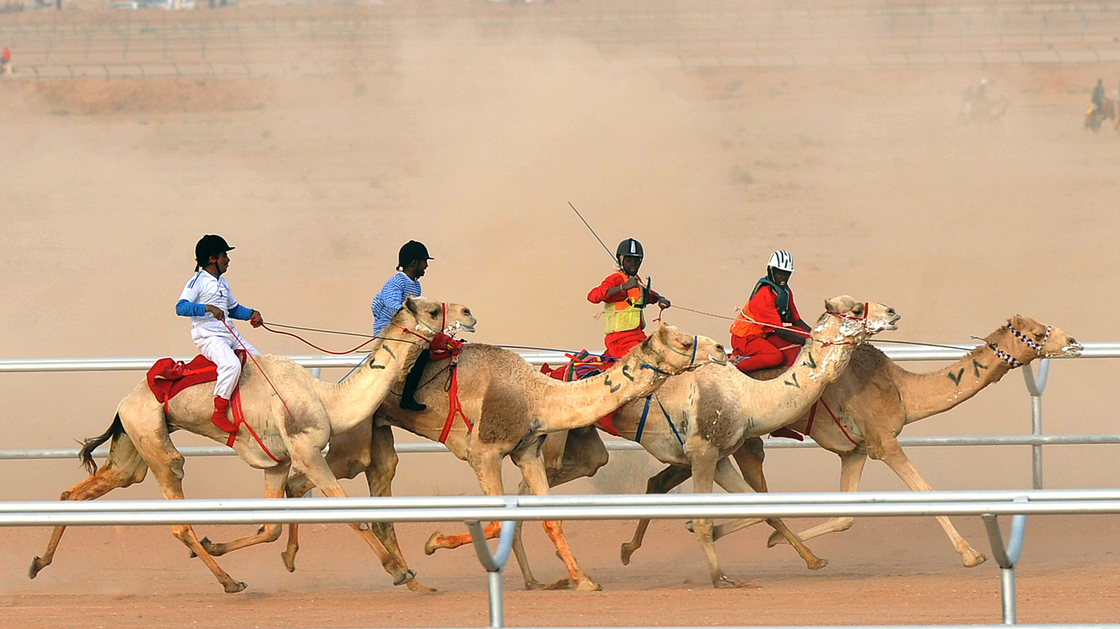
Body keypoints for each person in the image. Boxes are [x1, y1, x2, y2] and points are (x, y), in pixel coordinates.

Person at [176, 235, 264, 433]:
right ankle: (219, 412)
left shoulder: (223, 283)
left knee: (259, 361)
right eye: (225, 255)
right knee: (231, 365)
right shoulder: (197, 281)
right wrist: (207, 308)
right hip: (208, 335)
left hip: (228, 331)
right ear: (213, 258)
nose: (228, 259)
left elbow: (232, 309)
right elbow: (180, 307)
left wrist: (251, 314)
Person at [371, 240, 433, 411]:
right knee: (420, 355)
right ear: (414, 262)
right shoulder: (397, 282)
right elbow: (392, 303)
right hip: (388, 330)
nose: (426, 265)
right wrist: (411, 320)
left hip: (405, 330)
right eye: (424, 261)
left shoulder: (416, 285)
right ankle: (406, 398)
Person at [729, 250, 811, 374]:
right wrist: (806, 342)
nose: (783, 277)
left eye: (786, 273)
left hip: (765, 334)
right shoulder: (763, 296)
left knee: (801, 334)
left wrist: (815, 334)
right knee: (775, 357)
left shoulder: (785, 292)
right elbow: (778, 330)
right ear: (770, 270)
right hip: (745, 338)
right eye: (779, 273)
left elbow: (795, 320)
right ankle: (733, 370)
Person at [587, 238, 671, 360]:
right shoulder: (616, 279)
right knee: (642, 362)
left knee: (660, 354)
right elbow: (593, 296)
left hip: (637, 335)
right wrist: (622, 288)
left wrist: (659, 299)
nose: (633, 263)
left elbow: (646, 294)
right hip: (619, 339)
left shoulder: (636, 280)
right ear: (621, 261)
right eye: (628, 260)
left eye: (636, 261)